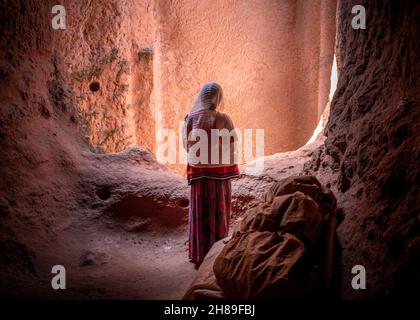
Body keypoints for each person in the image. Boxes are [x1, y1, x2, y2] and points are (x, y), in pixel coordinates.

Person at [182, 82, 240, 269]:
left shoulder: (190, 118)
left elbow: (187, 146)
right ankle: (216, 255)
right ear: (219, 97)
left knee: (200, 211)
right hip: (219, 175)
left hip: (200, 175)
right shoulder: (224, 118)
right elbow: (233, 143)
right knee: (218, 211)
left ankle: (199, 253)